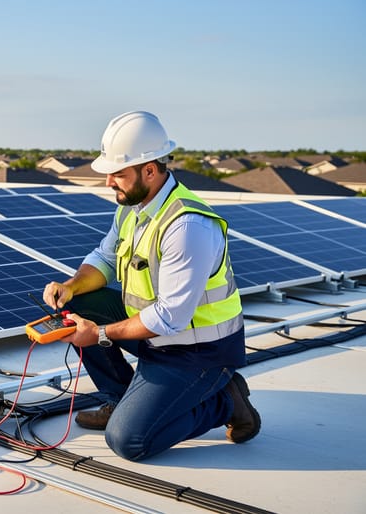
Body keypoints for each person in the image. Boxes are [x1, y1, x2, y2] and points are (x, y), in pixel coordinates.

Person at [42, 110, 261, 461]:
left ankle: (223, 401)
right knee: (79, 306)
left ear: (150, 169)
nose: (109, 182)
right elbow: (106, 259)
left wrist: (98, 334)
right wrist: (71, 287)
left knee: (128, 441)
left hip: (198, 352)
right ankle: (123, 398)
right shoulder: (132, 208)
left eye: (118, 173)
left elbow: (170, 317)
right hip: (156, 338)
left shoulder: (188, 225)